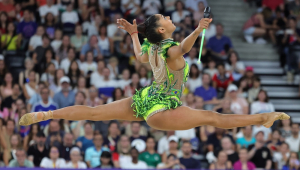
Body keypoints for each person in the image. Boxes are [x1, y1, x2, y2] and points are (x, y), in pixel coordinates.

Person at [19, 15, 289, 134]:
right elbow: (183, 47)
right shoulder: (170, 49)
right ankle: (263, 117)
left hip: (146, 98)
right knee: (212, 117)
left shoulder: (151, 47)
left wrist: (134, 35)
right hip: (160, 110)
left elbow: (138, 56)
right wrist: (197, 30)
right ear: (162, 30)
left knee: (93, 110)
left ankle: (47, 114)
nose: (169, 19)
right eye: (165, 19)